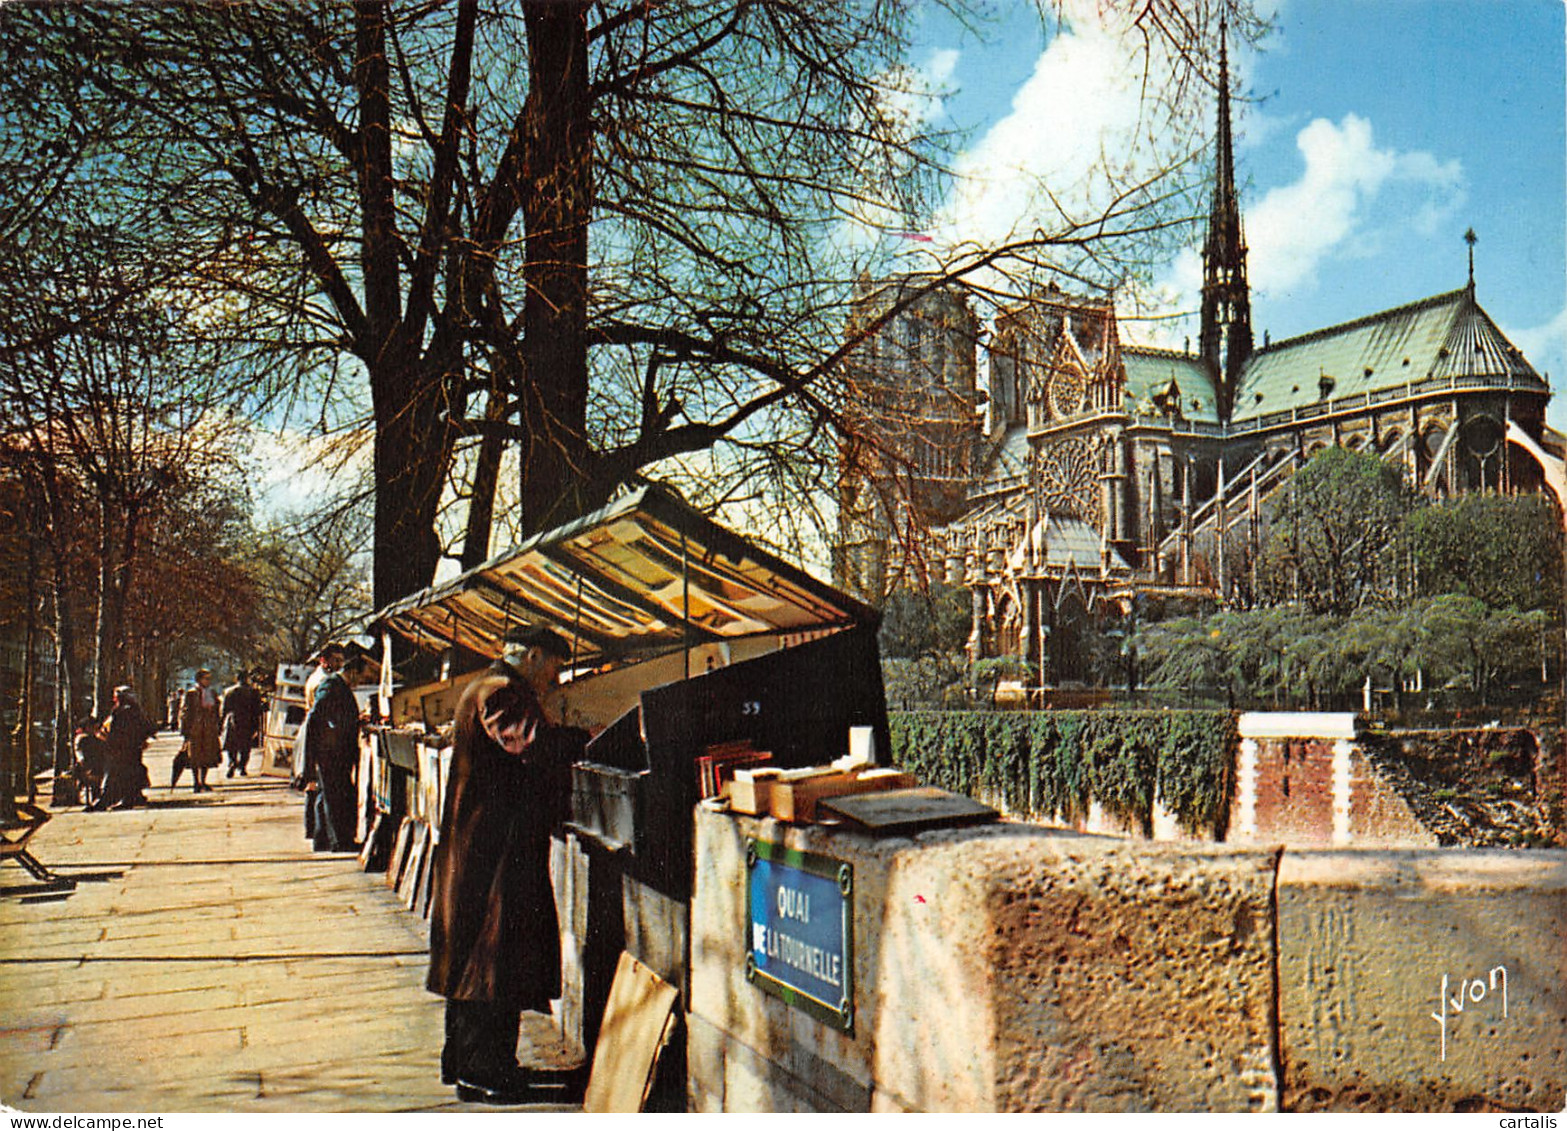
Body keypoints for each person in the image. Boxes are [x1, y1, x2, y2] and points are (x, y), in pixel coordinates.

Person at [427, 624, 585, 1105]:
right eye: (554, 667)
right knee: (490, 962)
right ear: (534, 656)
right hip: (491, 852)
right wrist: (588, 737)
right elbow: (530, 743)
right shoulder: (501, 693)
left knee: (480, 961)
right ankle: (486, 1072)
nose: (555, 680)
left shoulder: (486, 686)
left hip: (486, 846)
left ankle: (472, 1065)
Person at [299, 646, 362, 852]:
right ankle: (339, 842)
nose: (359, 683)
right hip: (330, 751)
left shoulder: (334, 685)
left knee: (329, 794)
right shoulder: (330, 685)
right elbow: (315, 718)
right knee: (334, 796)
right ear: (352, 672)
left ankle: (323, 839)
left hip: (332, 750)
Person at [98, 686, 155, 811]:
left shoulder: (121, 712)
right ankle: (130, 797)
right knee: (130, 773)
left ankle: (123, 800)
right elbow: (147, 728)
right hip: (132, 748)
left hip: (122, 748)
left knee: (121, 774)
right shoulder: (135, 711)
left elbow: (115, 731)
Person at [178, 669, 222, 793]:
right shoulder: (192, 693)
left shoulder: (212, 693)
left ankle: (203, 781)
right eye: (205, 678)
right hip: (195, 729)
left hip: (209, 729)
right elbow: (185, 712)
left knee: (207, 755)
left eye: (209, 679)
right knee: (195, 757)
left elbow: (216, 710)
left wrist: (218, 725)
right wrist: (185, 730)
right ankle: (195, 782)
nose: (208, 681)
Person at [220, 672, 265, 778]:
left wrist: (220, 724)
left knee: (232, 746)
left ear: (237, 679)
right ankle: (243, 767)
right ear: (247, 679)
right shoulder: (254, 692)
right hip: (248, 721)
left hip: (233, 721)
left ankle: (232, 763)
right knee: (245, 747)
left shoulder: (229, 691)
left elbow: (224, 710)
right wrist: (257, 726)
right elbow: (258, 710)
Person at [73, 717, 107, 809]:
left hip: (89, 767)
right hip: (89, 768)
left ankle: (95, 798)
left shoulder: (82, 738)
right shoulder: (86, 738)